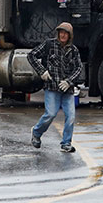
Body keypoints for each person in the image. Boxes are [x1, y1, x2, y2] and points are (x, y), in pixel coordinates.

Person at [27, 22, 82, 153]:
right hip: (51, 86)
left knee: (71, 116)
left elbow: (79, 68)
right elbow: (31, 55)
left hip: (67, 89)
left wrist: (69, 81)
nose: (63, 35)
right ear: (58, 34)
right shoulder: (49, 45)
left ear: (70, 36)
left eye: (65, 33)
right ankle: (36, 132)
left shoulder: (73, 50)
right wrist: (42, 71)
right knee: (50, 114)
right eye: (61, 32)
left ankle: (66, 143)